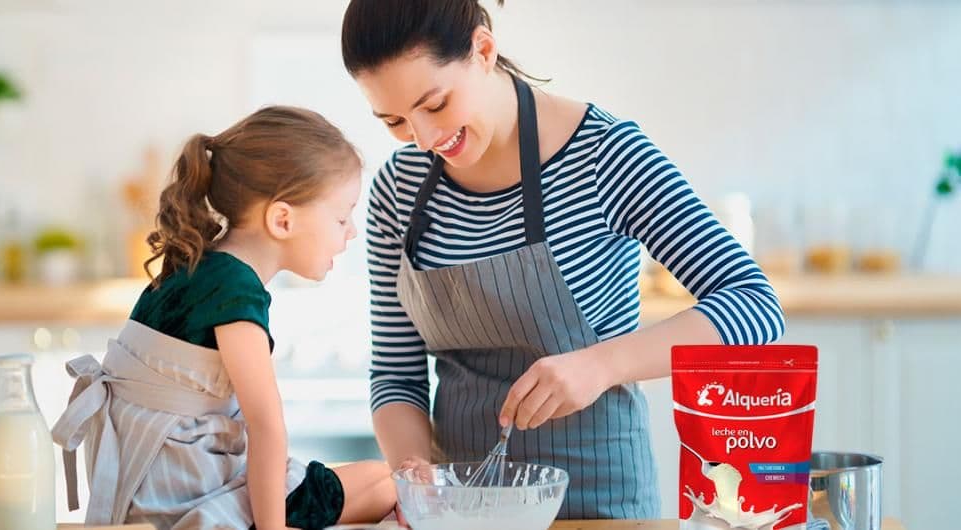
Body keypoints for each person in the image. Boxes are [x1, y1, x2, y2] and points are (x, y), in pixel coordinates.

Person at [341, 0, 786, 519]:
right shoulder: (399, 188)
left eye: (435, 105)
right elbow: (397, 376)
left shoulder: (606, 154)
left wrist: (601, 364)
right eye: (394, 120)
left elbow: (755, 308)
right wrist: (416, 482)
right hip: (461, 511)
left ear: (483, 50)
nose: (423, 139)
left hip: (598, 504)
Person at [52, 106, 396, 530]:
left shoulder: (201, 266)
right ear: (282, 219)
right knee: (386, 487)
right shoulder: (235, 290)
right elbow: (267, 429)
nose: (351, 232)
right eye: (342, 217)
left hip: (157, 480)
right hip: (182, 498)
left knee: (385, 478)